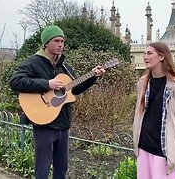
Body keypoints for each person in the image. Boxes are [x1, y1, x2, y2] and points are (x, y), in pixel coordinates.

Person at [9, 25, 106, 179]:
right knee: (43, 169)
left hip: (63, 124)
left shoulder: (65, 66)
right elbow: (16, 81)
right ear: (46, 43)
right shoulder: (33, 62)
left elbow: (75, 89)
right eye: (56, 41)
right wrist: (47, 84)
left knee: (62, 168)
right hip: (44, 124)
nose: (60, 44)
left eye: (62, 41)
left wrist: (93, 76)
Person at [133, 42, 175, 179]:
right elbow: (139, 113)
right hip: (143, 147)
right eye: (144, 53)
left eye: (149, 53)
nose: (145, 57)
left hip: (164, 152)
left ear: (161, 57)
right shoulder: (143, 83)